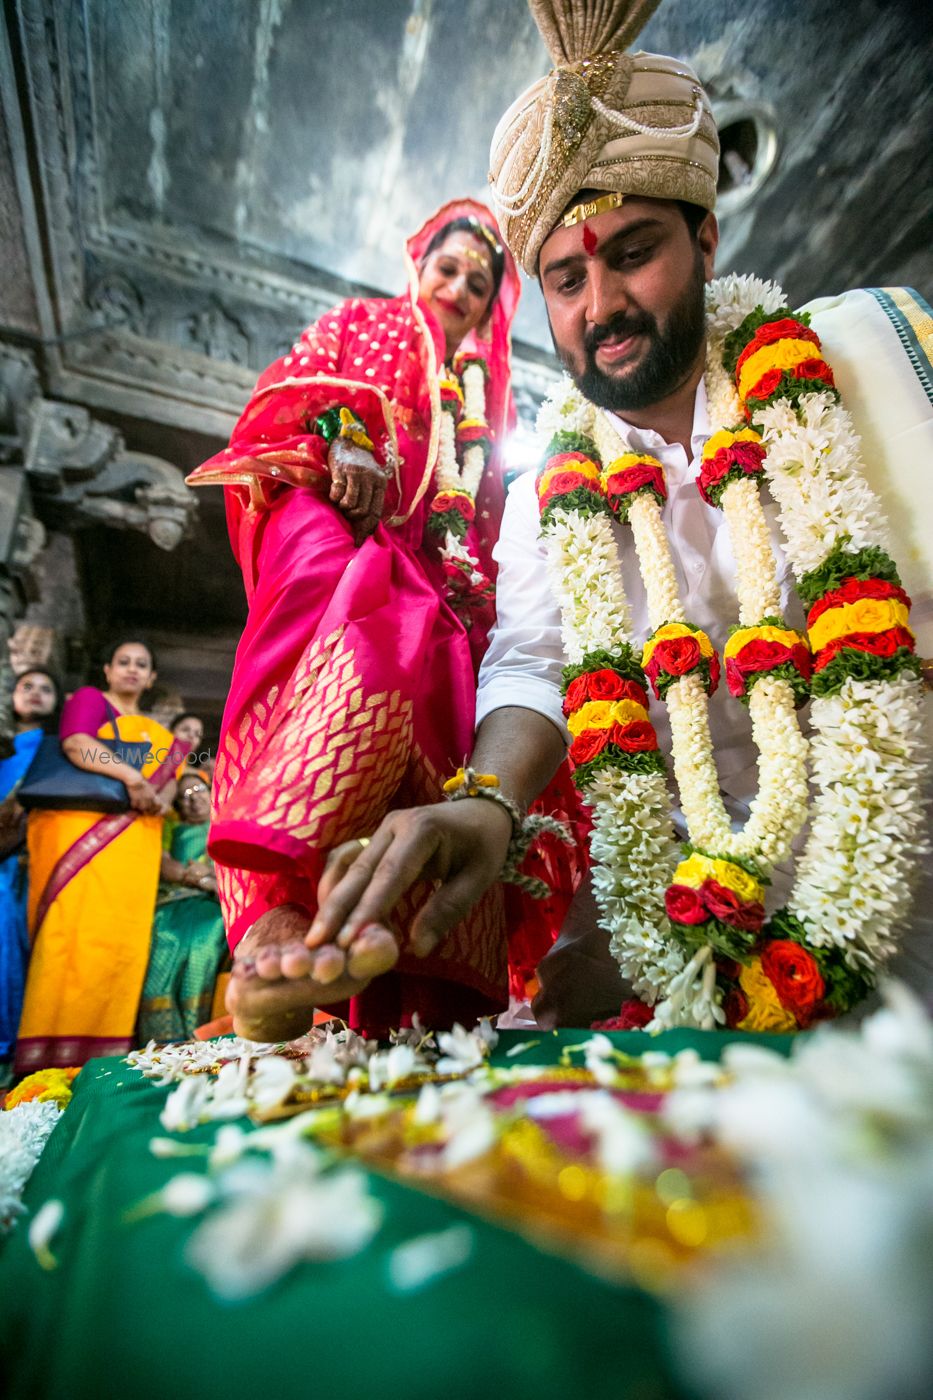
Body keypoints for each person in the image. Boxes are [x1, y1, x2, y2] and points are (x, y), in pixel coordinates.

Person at [286, 0, 933, 1033]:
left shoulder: (866, 353)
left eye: (634, 250)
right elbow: (536, 659)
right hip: (689, 902)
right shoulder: (558, 476)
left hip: (907, 871)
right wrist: (489, 802)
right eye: (567, 277)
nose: (602, 305)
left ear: (708, 239)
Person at [186, 199, 524, 1040]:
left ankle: (378, 968)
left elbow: (487, 532)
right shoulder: (361, 322)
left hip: (434, 575)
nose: (457, 288)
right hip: (332, 505)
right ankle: (273, 910)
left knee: (440, 698)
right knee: (345, 609)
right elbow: (284, 392)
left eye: (477, 284)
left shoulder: (485, 404)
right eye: (446, 269)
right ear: (418, 268)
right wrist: (344, 436)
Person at [15, 640, 188, 1072]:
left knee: (120, 943)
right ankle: (46, 1055)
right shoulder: (92, 700)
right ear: (108, 670)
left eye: (141, 665)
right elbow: (76, 745)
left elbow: (167, 790)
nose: (131, 669)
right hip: (79, 837)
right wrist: (133, 778)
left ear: (150, 679)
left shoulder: (159, 736)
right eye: (123, 662)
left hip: (135, 847)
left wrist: (159, 796)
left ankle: (102, 1053)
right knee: (69, 937)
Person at [137, 769, 229, 1043]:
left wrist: (211, 883)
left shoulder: (225, 824)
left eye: (199, 790)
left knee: (203, 945)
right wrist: (201, 878)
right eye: (184, 796)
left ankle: (198, 1036)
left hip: (212, 905)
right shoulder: (171, 830)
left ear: (212, 793)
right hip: (171, 904)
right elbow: (164, 866)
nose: (193, 800)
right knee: (164, 943)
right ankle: (162, 1043)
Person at [0, 669, 60, 1084]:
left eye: (46, 689)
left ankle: (9, 1049)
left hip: (25, 859)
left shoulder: (57, 749)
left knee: (13, 945)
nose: (36, 694)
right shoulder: (5, 748)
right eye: (28, 687)